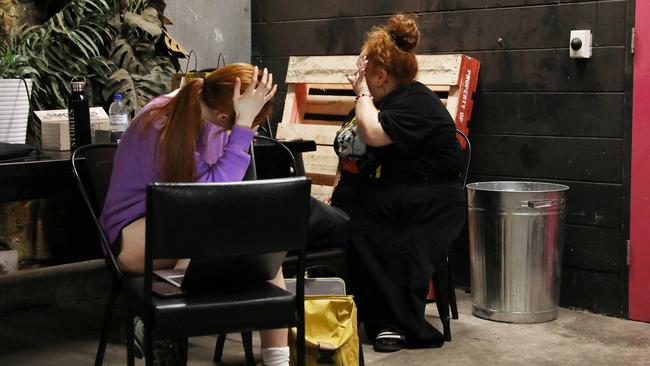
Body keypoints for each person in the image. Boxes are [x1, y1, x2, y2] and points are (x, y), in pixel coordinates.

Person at [100, 63, 347, 366]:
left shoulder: (211, 118)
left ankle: (277, 361)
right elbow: (208, 201)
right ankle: (158, 324)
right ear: (223, 116)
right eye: (244, 122)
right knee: (221, 234)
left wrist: (239, 129)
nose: (248, 132)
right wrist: (241, 132)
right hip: (133, 236)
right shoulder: (163, 120)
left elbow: (212, 205)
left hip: (185, 228)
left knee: (263, 244)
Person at [330, 14, 466, 352]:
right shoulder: (384, 102)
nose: (361, 78)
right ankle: (369, 309)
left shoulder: (416, 101)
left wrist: (361, 93)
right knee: (349, 207)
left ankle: (391, 322)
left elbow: (373, 135)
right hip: (401, 190)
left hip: (431, 200)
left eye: (366, 73)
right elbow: (349, 144)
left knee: (367, 219)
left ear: (380, 75)